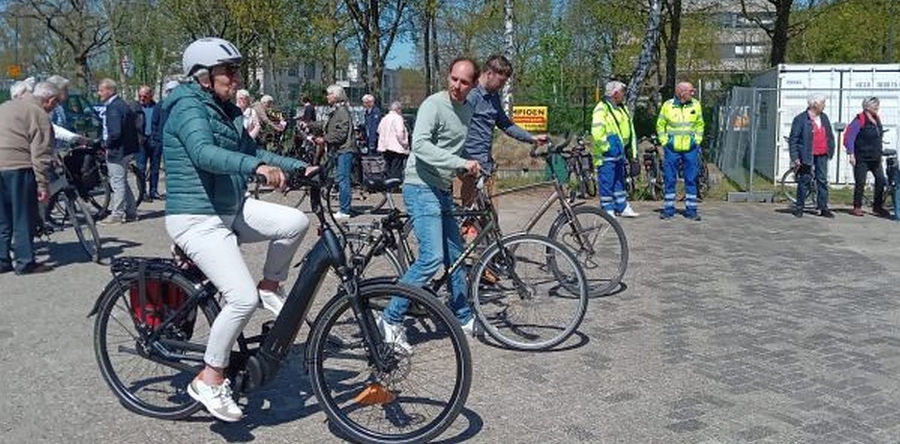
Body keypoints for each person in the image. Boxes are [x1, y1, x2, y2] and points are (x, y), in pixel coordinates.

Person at [163, 37, 315, 422]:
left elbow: (252, 152)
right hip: (196, 216)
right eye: (228, 70)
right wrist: (257, 170)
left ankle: (271, 284)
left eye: (236, 69)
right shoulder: (187, 107)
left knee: (295, 221)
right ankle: (210, 378)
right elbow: (204, 154)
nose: (236, 76)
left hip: (228, 209)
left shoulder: (225, 109)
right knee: (240, 299)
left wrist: (298, 167)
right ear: (202, 76)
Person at [379, 57, 482, 352]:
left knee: (456, 255)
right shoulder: (433, 105)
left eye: (464, 82)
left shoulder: (467, 109)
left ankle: (462, 315)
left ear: (472, 85)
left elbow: (452, 150)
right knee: (432, 257)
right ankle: (390, 318)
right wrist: (461, 162)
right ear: (448, 77)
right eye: (454, 79)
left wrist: (465, 170)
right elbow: (421, 146)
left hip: (442, 187)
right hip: (419, 184)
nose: (457, 86)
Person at [460, 54, 547, 212]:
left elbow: (505, 124)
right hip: (468, 169)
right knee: (469, 221)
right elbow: (454, 127)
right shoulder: (471, 95)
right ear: (489, 73)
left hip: (485, 167)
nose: (502, 86)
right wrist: (463, 162)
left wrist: (531, 138)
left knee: (490, 219)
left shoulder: (493, 97)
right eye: (501, 81)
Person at [0, 81, 58, 274]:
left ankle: (2, 259)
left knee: (3, 218)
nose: (54, 108)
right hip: (19, 166)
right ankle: (25, 262)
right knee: (22, 216)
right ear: (49, 100)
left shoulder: (5, 106)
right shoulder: (37, 113)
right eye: (55, 103)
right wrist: (43, 185)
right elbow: (40, 153)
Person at [656, 81, 705, 221]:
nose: (693, 93)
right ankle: (668, 209)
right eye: (691, 90)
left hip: (691, 149)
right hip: (672, 149)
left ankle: (691, 210)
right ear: (682, 92)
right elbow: (660, 125)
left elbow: (700, 124)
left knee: (691, 179)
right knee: (670, 179)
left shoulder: (696, 104)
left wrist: (697, 140)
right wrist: (665, 142)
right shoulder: (668, 106)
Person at [592, 80, 639, 218]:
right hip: (606, 154)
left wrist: (630, 151)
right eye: (622, 92)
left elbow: (629, 129)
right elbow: (597, 131)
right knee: (607, 181)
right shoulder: (602, 108)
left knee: (619, 180)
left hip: (619, 152)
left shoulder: (621, 108)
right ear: (615, 93)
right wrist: (607, 147)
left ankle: (622, 206)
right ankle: (608, 209)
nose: (624, 95)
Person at [97, 78, 139, 224]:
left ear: (110, 90)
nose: (99, 93)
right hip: (127, 149)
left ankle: (117, 214)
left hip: (117, 150)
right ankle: (131, 211)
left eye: (101, 90)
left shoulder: (114, 107)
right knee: (121, 180)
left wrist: (106, 145)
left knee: (117, 182)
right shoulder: (123, 105)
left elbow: (115, 132)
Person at [788, 94, 836, 218]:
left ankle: (823, 207)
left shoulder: (824, 117)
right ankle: (799, 207)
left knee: (822, 180)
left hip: (822, 153)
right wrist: (795, 157)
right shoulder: (801, 119)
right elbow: (793, 139)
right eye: (823, 103)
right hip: (807, 154)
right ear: (815, 104)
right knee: (804, 179)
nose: (824, 105)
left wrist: (831, 148)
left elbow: (829, 134)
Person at [314, 84, 355, 219]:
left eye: (329, 94)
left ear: (336, 96)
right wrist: (309, 124)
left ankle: (345, 210)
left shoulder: (341, 111)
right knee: (339, 178)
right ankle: (344, 207)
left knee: (343, 179)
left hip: (344, 150)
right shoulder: (336, 110)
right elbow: (327, 125)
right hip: (338, 150)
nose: (327, 97)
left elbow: (341, 133)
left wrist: (324, 139)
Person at [844, 97, 890, 217]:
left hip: (875, 157)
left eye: (878, 105)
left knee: (881, 180)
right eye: (875, 106)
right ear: (867, 107)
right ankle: (857, 207)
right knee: (860, 182)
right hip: (861, 157)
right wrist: (851, 154)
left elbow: (878, 137)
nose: (877, 108)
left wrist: (880, 153)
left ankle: (878, 206)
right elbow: (850, 138)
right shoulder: (859, 120)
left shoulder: (876, 119)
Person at [135, 85, 164, 201]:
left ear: (150, 96)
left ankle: (154, 191)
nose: (142, 98)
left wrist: (159, 137)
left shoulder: (157, 107)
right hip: (141, 142)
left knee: (155, 167)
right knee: (141, 168)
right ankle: (143, 193)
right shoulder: (135, 108)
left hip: (155, 140)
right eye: (140, 96)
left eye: (145, 96)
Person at [376, 101, 409, 180]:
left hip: (385, 147)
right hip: (396, 147)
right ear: (397, 109)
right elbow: (400, 132)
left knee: (388, 167)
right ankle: (395, 186)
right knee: (396, 168)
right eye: (401, 109)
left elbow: (378, 130)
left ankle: (388, 185)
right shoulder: (398, 118)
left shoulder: (384, 118)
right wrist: (404, 143)